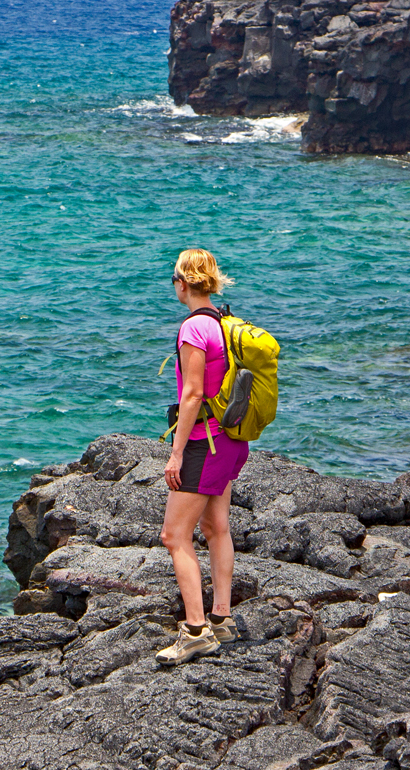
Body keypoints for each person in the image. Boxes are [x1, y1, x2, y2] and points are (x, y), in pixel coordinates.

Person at [155, 248, 250, 666]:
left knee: (174, 536)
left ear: (182, 282)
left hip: (204, 442)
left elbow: (192, 394)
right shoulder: (225, 322)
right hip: (231, 440)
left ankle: (196, 631)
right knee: (216, 527)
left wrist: (176, 453)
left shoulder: (194, 328)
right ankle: (222, 618)